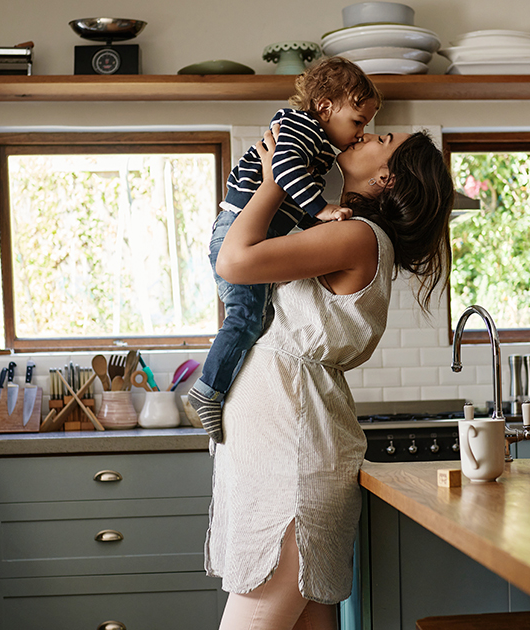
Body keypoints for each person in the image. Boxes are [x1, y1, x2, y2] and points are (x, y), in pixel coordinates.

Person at [205, 126, 454, 630]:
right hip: (283, 446)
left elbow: (233, 261)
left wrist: (279, 173)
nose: (365, 133)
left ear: (385, 177)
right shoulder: (339, 227)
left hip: (290, 457)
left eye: (382, 138)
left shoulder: (355, 236)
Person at [189, 57, 384, 443]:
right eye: (358, 122)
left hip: (251, 231)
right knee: (244, 318)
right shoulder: (302, 127)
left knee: (253, 318)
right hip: (234, 227)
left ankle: (215, 388)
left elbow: (289, 204)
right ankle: (207, 391)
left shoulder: (320, 142)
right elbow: (284, 172)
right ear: (326, 107)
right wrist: (322, 209)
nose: (362, 132)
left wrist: (318, 220)